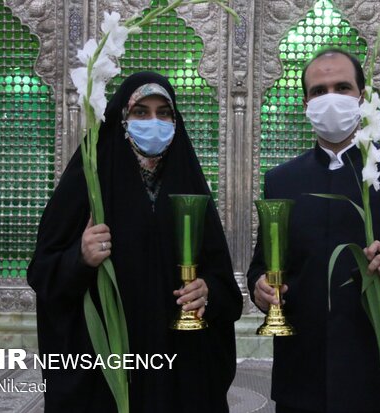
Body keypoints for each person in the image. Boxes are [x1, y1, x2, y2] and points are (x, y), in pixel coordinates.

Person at [247, 48, 380, 412]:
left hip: (379, 374)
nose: (330, 98)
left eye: (342, 87)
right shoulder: (281, 180)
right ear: (305, 102)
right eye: (319, 90)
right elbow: (262, 265)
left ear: (362, 96)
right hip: (302, 376)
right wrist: (261, 289)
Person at [28, 71, 242, 412]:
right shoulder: (89, 181)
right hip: (105, 374)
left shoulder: (188, 184)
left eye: (164, 112)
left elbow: (224, 287)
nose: (153, 121)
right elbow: (42, 272)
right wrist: (80, 258)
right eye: (141, 112)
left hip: (179, 373)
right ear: (121, 118)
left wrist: (207, 291)